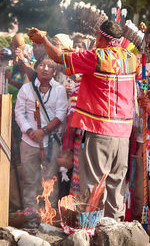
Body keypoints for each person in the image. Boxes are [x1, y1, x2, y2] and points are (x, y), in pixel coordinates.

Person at [28, 20, 137, 220]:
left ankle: (90, 233)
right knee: (116, 187)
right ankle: (117, 232)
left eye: (97, 38)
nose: (95, 41)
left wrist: (44, 40)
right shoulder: (130, 58)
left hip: (100, 130)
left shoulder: (97, 56)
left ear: (102, 37)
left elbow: (59, 57)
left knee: (92, 187)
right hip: (123, 134)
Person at [15, 54, 68, 226]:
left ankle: (48, 221)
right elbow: (19, 113)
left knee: (50, 182)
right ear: (36, 68)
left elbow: (61, 114)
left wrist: (43, 131)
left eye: (49, 66)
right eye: (42, 65)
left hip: (51, 144)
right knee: (30, 182)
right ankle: (31, 221)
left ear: (54, 71)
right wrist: (30, 130)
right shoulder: (26, 89)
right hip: (29, 142)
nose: (45, 68)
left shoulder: (60, 89)